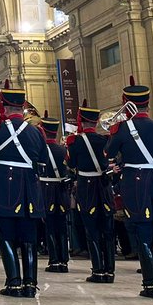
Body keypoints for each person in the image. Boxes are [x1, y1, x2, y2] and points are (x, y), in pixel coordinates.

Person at [0, 83, 47, 298]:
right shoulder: (36, 132)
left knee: (6, 235)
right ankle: (31, 284)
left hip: (5, 188)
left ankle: (13, 282)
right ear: (22, 106)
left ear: (3, 108)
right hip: (29, 189)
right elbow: (43, 159)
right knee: (29, 238)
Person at [105, 77, 153, 299]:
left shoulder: (123, 128)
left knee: (143, 232)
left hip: (137, 183)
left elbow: (108, 152)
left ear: (126, 102)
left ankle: (150, 284)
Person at [66, 100, 116, 283]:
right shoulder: (104, 139)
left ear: (81, 121)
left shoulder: (75, 141)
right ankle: (110, 271)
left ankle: (98, 270)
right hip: (104, 185)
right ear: (95, 123)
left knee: (92, 229)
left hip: (87, 186)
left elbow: (70, 165)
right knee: (108, 229)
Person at [39, 114, 71, 274]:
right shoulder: (63, 150)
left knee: (50, 226)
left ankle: (54, 260)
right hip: (62, 190)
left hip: (46, 190)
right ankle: (64, 260)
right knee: (62, 226)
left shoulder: (40, 150)